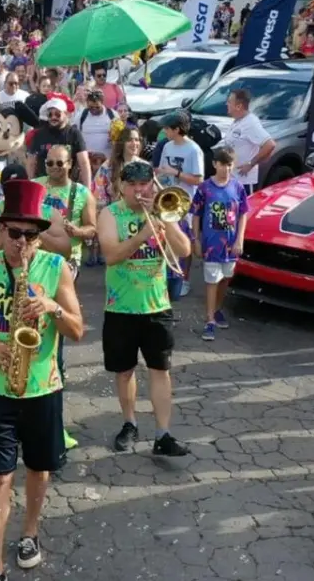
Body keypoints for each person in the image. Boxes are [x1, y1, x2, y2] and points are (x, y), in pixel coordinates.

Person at [0, 179, 84, 580]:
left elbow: (78, 331)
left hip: (43, 388)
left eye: (32, 235)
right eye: (14, 233)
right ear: (1, 230)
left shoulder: (55, 266)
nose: (22, 243)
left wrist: (52, 307)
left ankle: (29, 532)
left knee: (38, 468)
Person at [97, 160, 192, 456]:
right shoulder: (110, 214)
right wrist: (141, 237)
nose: (140, 190)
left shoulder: (162, 212)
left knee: (160, 370)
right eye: (133, 185)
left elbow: (185, 250)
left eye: (145, 184)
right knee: (124, 372)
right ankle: (129, 424)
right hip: (121, 308)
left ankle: (163, 434)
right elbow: (111, 255)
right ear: (122, 187)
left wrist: (166, 221)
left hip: (157, 306)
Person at [188, 148, 248, 342]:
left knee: (225, 278)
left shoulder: (238, 187)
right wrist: (195, 239)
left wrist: (240, 238)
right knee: (211, 280)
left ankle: (217, 308)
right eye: (223, 164)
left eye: (230, 164)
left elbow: (243, 214)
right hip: (211, 245)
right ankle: (210, 319)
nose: (226, 169)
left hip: (231, 245)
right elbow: (196, 214)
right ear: (215, 164)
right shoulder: (205, 188)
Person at [157, 113, 204, 300]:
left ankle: (184, 279)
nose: (164, 131)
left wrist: (176, 173)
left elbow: (198, 179)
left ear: (177, 129)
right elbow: (162, 170)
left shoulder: (193, 150)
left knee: (185, 240)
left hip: (185, 203)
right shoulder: (167, 146)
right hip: (168, 200)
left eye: (167, 128)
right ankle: (168, 276)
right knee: (166, 239)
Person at [35, 145, 96, 277]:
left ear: (70, 164)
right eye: (50, 163)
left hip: (67, 260)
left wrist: (77, 231)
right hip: (36, 256)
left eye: (59, 163)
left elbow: (92, 229)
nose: (54, 167)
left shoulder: (83, 193)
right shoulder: (34, 187)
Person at [220, 89, 275, 195]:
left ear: (239, 106)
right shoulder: (237, 121)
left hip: (244, 182)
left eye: (229, 102)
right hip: (232, 179)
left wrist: (251, 163)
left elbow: (270, 144)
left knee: (244, 211)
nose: (227, 104)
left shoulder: (251, 123)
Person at [25, 95, 90, 184]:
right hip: (44, 185)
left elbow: (84, 163)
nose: (53, 117)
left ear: (66, 114)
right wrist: (31, 185)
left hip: (68, 186)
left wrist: (87, 190)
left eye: (57, 114)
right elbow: (31, 162)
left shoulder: (74, 134)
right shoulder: (39, 134)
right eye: (50, 114)